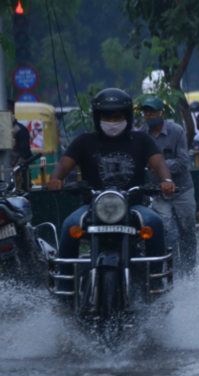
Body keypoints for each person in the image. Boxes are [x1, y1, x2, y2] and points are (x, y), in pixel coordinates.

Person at [47, 88, 175, 289]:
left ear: (127, 117)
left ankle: (156, 283)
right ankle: (65, 288)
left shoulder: (141, 140)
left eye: (117, 116)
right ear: (98, 117)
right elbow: (62, 167)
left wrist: (166, 180)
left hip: (133, 206)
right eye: (107, 116)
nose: (112, 121)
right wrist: (56, 179)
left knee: (155, 222)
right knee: (69, 226)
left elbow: (159, 163)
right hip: (92, 206)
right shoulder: (84, 141)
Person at [139, 96, 197, 277]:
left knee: (187, 230)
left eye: (152, 111)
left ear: (161, 113)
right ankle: (173, 270)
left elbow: (182, 162)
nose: (148, 114)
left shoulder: (176, 131)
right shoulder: (141, 134)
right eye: (145, 111)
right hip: (158, 193)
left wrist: (157, 167)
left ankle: (189, 271)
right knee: (166, 231)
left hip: (182, 190)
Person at [7, 100, 31, 167]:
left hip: (16, 172)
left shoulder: (20, 130)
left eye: (7, 110)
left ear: (12, 111)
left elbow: (25, 152)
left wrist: (19, 162)